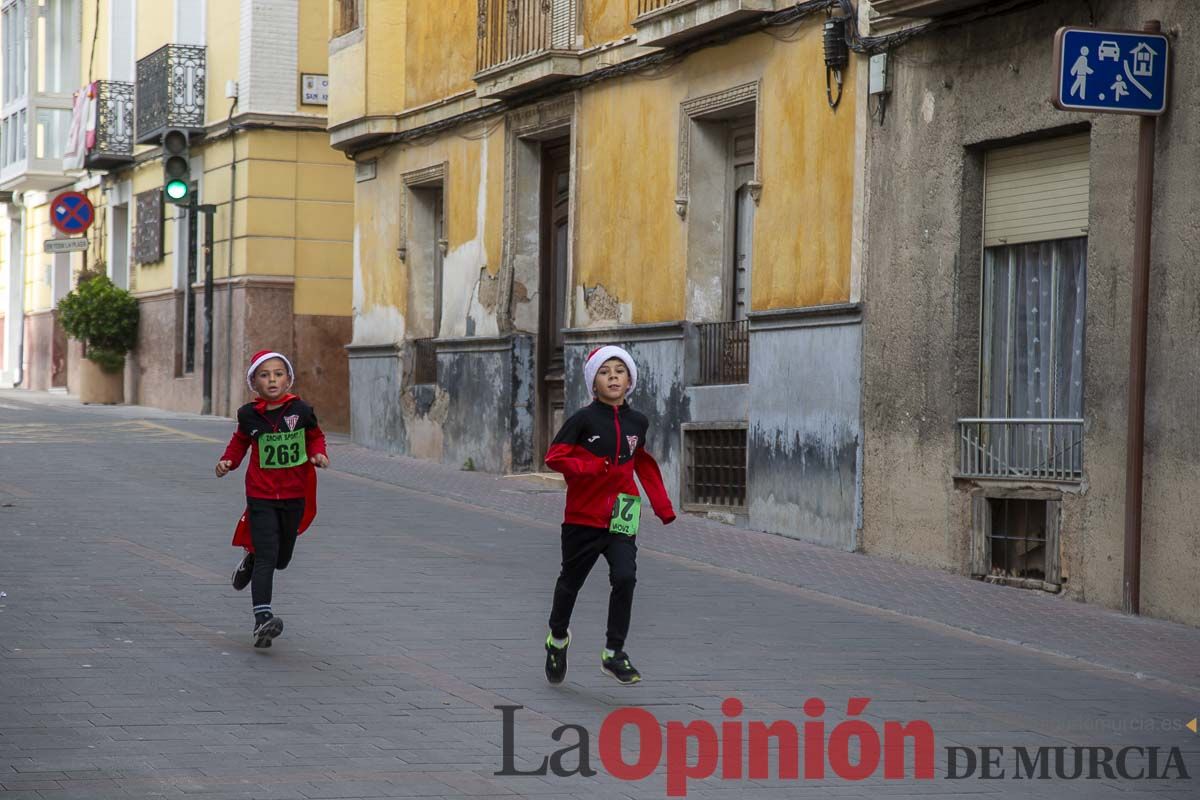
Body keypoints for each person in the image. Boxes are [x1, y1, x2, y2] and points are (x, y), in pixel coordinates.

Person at [543, 345, 676, 685]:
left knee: (625, 577)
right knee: (570, 582)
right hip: (583, 515)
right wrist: (589, 466)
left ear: (629, 379)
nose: (613, 376)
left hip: (623, 510)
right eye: (605, 372)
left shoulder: (637, 422)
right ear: (594, 383)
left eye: (619, 370)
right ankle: (557, 638)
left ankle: (613, 652)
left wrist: (662, 507)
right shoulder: (583, 420)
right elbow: (555, 457)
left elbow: (641, 462)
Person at [216, 350, 329, 648]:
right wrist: (228, 461)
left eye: (278, 373)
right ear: (254, 382)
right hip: (261, 494)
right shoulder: (249, 415)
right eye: (264, 375)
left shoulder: (301, 411)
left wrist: (318, 453)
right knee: (269, 556)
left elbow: (316, 435)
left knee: (282, 559)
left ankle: (250, 559)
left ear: (289, 378)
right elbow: (240, 441)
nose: (272, 379)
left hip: (295, 495)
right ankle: (262, 619)